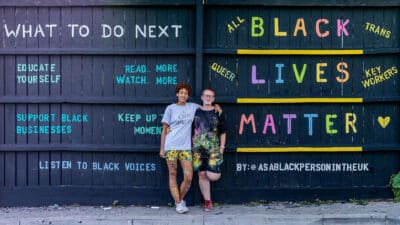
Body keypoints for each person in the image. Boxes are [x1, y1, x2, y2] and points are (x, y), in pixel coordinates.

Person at [159, 83, 198, 214]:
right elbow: (164, 130)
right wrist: (162, 148)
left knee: (189, 178)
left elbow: (207, 107)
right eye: (181, 92)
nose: (183, 95)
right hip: (171, 147)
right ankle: (179, 203)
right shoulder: (170, 108)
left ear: (188, 95)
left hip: (185, 148)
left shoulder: (192, 107)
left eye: (185, 93)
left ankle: (179, 200)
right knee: (173, 174)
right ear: (177, 94)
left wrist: (217, 106)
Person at [192, 88, 227, 212]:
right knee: (201, 175)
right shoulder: (195, 111)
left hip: (214, 149)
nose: (208, 98)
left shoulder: (218, 112)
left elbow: (223, 132)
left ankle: (208, 199)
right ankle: (208, 202)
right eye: (206, 96)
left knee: (213, 175)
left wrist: (222, 148)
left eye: (211, 96)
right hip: (198, 150)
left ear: (213, 99)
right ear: (202, 97)